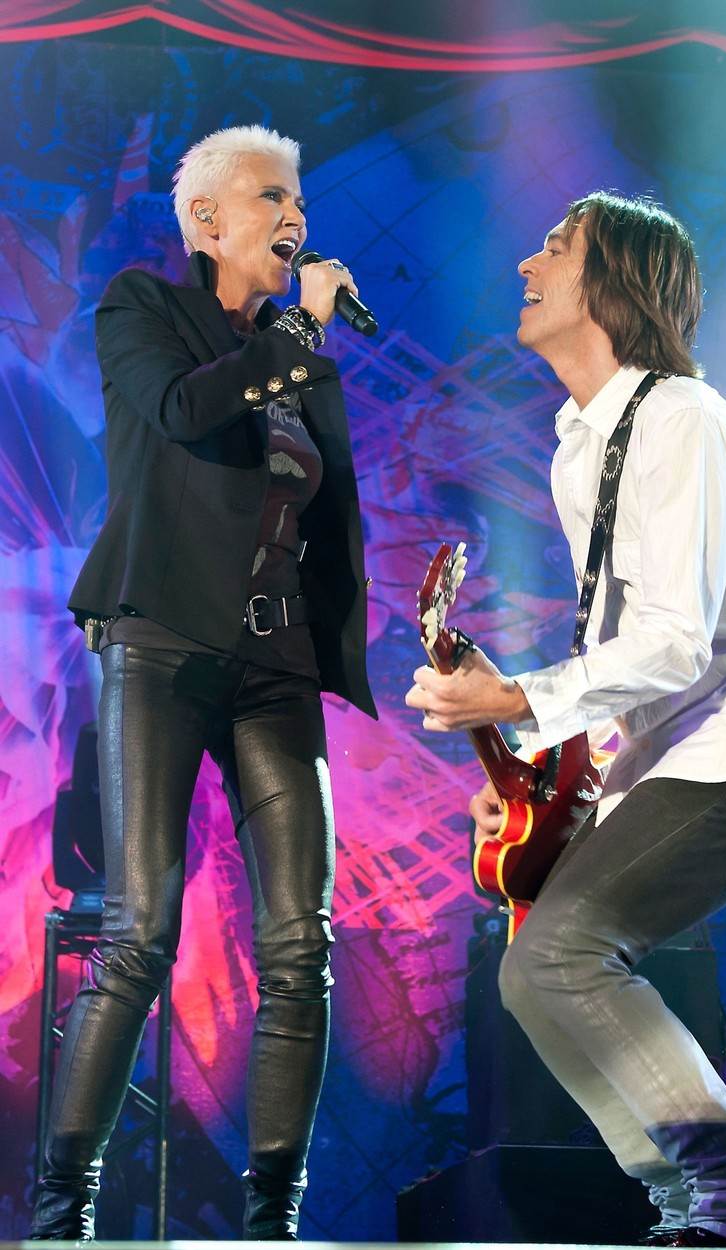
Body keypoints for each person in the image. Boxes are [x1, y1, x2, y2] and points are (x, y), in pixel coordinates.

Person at [406, 192, 726, 1246]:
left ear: (613, 282)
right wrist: (535, 772)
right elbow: (634, 657)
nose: (526, 262)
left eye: (555, 247)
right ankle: (694, 1200)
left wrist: (515, 698)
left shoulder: (685, 420)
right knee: (532, 969)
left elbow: (678, 643)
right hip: (674, 748)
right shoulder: (578, 447)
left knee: (563, 952)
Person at [31, 124, 376, 1241]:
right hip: (163, 641)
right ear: (208, 220)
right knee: (142, 929)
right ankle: (62, 1211)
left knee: (301, 942)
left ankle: (273, 1219)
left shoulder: (296, 352)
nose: (296, 217)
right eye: (273, 196)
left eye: (301, 200)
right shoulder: (143, 307)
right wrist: (298, 329)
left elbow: (316, 510)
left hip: (273, 659)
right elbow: (184, 412)